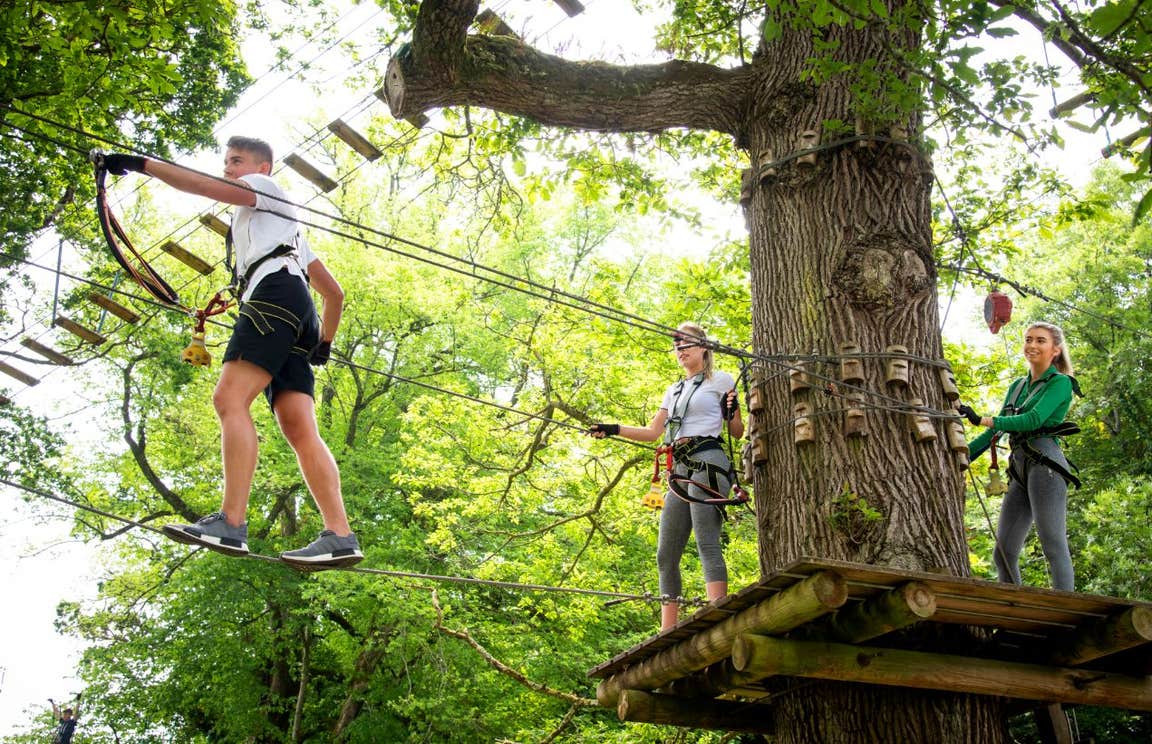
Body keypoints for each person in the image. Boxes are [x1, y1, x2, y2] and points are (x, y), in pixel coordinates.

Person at [101, 139, 362, 568]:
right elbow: (333, 294)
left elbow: (203, 187)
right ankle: (340, 534)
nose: (228, 170)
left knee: (229, 399)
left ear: (264, 166)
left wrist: (140, 163)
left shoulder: (265, 188)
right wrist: (324, 344)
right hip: (300, 311)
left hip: (273, 298)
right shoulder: (288, 234)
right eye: (225, 163)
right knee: (299, 428)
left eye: (235, 162)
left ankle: (231, 522)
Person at [588, 322, 744, 630]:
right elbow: (652, 432)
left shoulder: (721, 380)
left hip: (707, 462)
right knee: (665, 553)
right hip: (678, 468)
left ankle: (718, 614)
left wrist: (733, 411)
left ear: (704, 347)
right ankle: (667, 628)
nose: (680, 350)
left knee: (705, 540)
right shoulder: (673, 390)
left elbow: (737, 432)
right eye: (677, 345)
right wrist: (612, 428)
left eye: (686, 343)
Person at [959, 321, 1080, 591]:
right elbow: (997, 430)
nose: (1032, 345)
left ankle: (1064, 613)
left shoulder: (1061, 383)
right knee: (1004, 553)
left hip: (1045, 466)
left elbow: (1033, 420)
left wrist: (983, 419)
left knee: (1053, 544)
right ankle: (1013, 609)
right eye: (1028, 340)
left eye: (1040, 340)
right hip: (1020, 469)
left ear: (1055, 351)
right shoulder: (1016, 386)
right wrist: (962, 456)